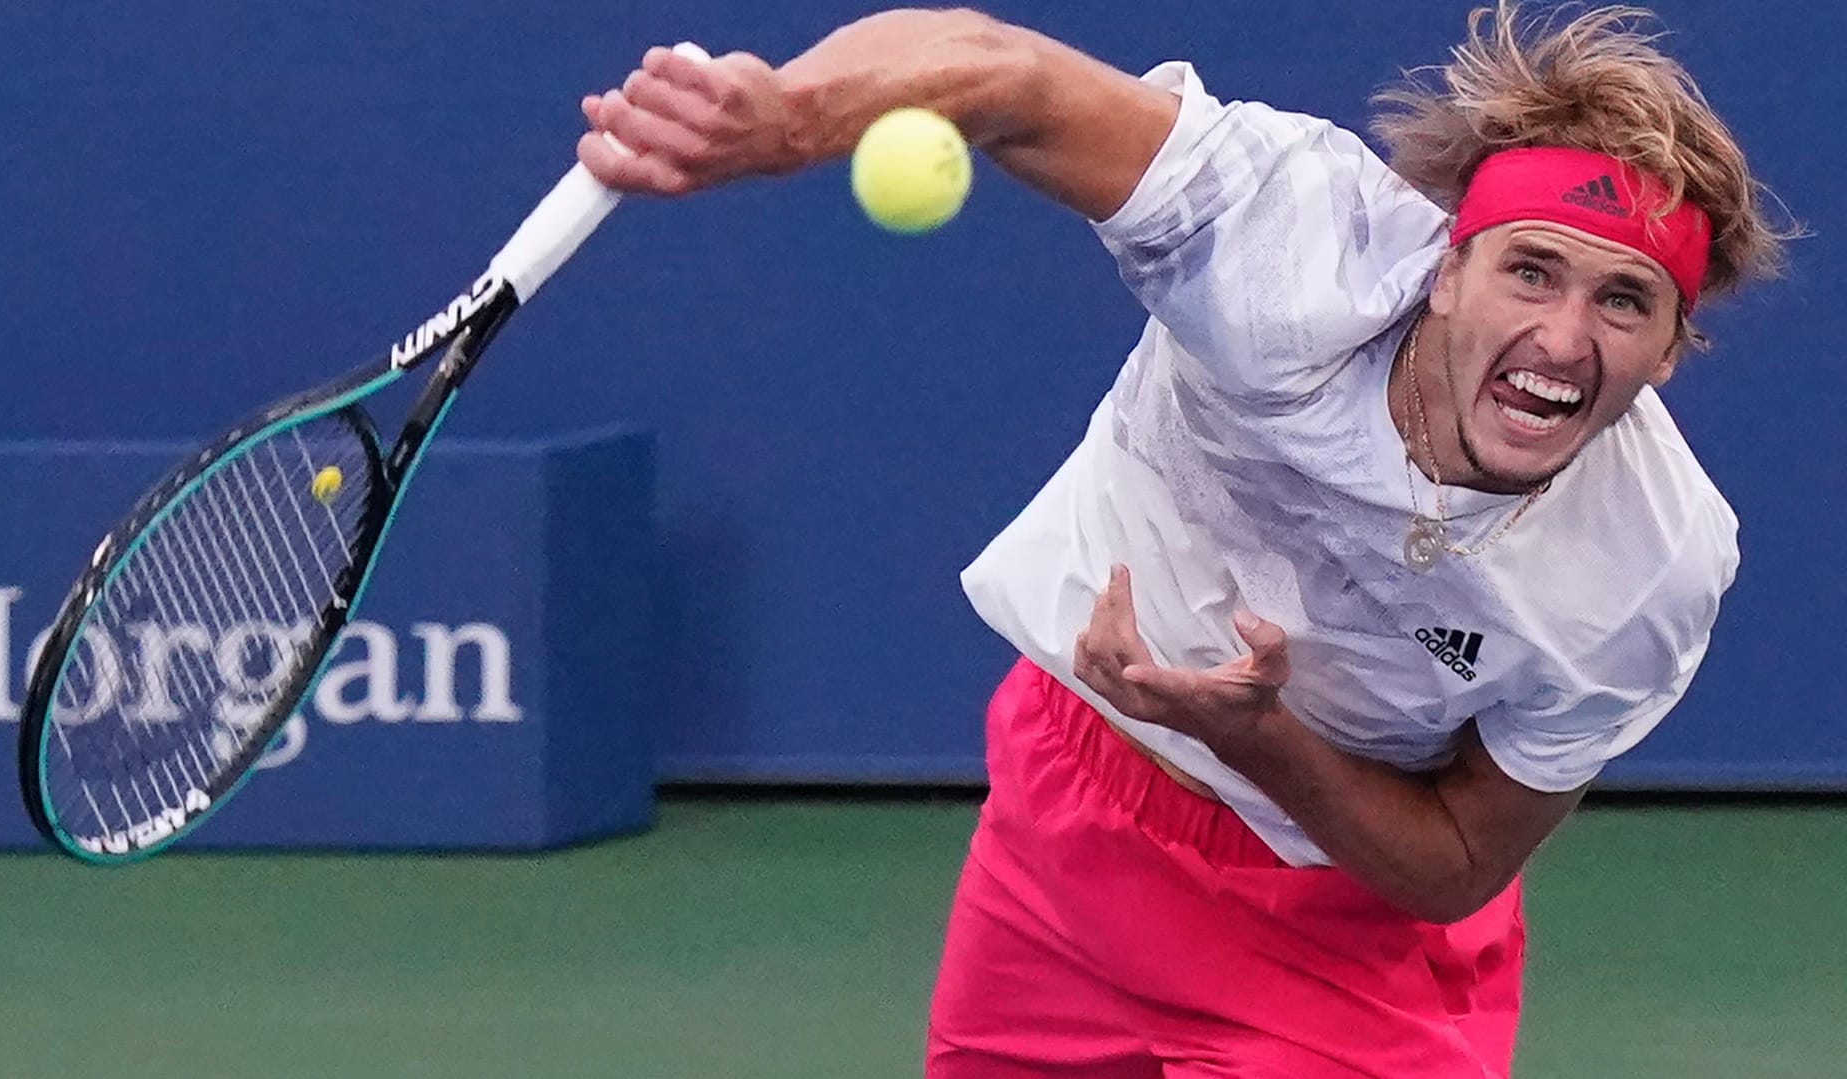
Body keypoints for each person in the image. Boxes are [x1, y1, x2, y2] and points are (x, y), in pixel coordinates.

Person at [577, 3, 1790, 1075]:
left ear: (1672, 347)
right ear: (1446, 265)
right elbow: (1006, 70)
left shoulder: (1649, 567)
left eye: (1623, 300)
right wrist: (793, 116)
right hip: (1070, 814)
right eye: (1531, 271)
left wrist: (1255, 732)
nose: (1564, 338)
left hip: (1340, 919)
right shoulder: (1287, 237)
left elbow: (1459, 858)